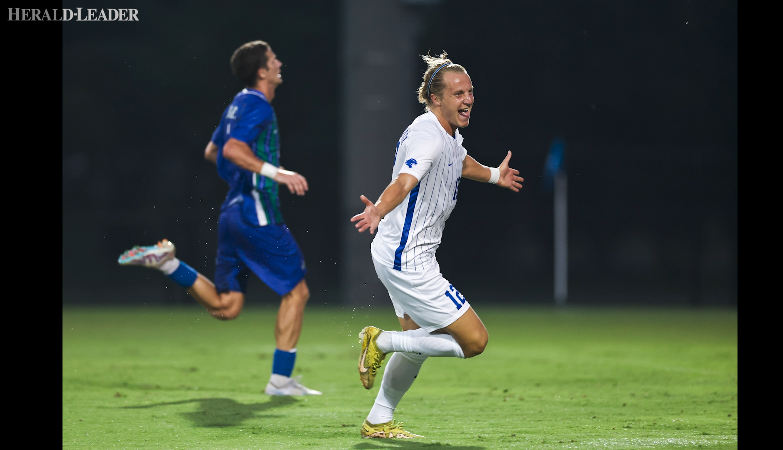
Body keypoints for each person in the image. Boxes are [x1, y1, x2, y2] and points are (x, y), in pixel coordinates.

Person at [118, 40, 320, 396]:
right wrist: (275, 174)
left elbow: (213, 150)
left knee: (227, 307)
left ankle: (168, 264)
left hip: (232, 213)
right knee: (297, 291)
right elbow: (229, 150)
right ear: (262, 71)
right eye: (273, 59)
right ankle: (281, 380)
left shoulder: (237, 105)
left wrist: (245, 174)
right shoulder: (258, 106)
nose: (279, 63)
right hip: (257, 213)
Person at [349, 52, 524, 439]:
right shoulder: (428, 135)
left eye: (470, 92)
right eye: (459, 93)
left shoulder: (446, 134)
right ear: (435, 98)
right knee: (474, 341)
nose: (468, 99)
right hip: (407, 258)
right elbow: (406, 181)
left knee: (419, 344)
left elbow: (459, 162)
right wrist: (378, 208)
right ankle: (380, 341)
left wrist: (495, 175)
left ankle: (378, 420)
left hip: (400, 252)